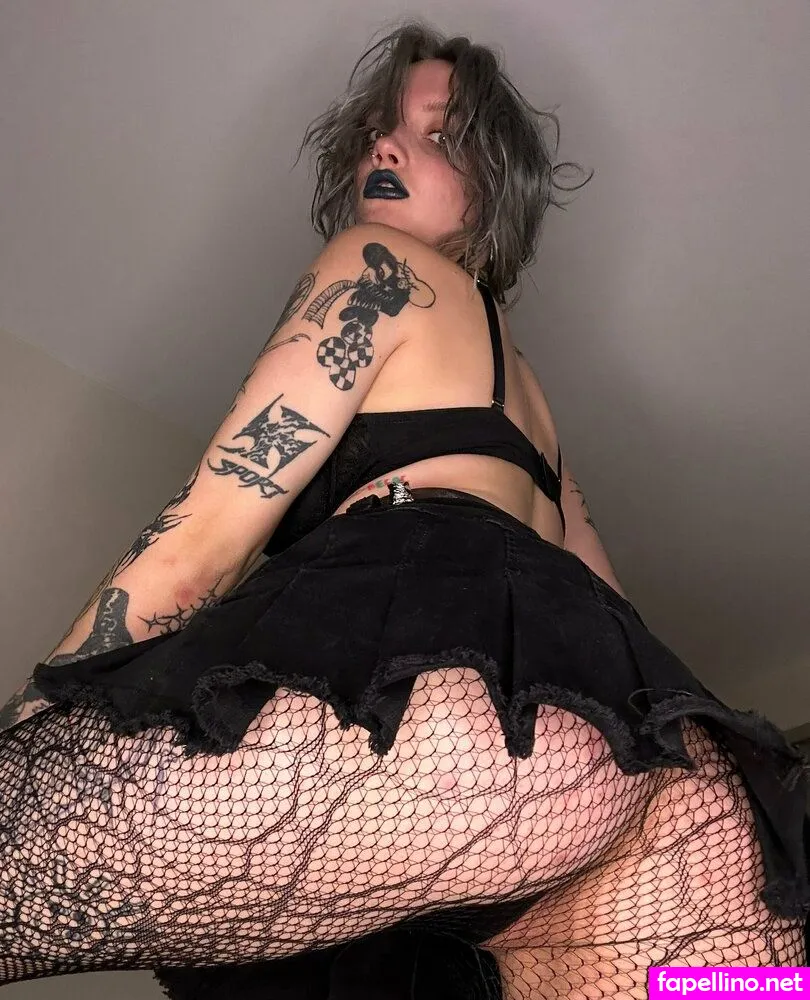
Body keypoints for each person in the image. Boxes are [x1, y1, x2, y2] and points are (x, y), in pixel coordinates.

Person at [0, 19, 807, 1000]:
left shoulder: (376, 264)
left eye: (438, 134)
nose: (387, 145)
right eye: (382, 128)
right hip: (668, 793)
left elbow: (201, 540)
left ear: (494, 191)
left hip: (449, 738)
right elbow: (612, 618)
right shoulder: (542, 426)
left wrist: (34, 736)